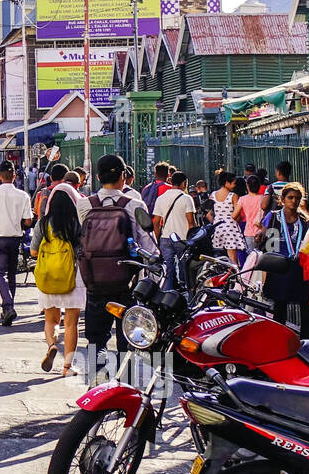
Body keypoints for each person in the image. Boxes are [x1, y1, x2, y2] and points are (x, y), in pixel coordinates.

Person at [81, 154, 157, 369]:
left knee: (96, 340)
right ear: (124, 176)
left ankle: (97, 383)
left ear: (97, 177)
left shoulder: (84, 205)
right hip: (126, 281)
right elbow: (149, 246)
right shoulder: (134, 204)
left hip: (94, 280)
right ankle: (125, 385)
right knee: (127, 339)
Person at [33, 174, 85, 377]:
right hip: (73, 276)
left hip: (48, 276)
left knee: (51, 319)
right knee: (71, 323)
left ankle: (52, 345)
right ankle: (67, 367)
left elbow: (34, 252)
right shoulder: (78, 225)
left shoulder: (43, 224)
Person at [0, 161, 34, 326]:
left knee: (0, 273)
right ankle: (7, 307)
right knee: (11, 274)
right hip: (15, 239)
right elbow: (29, 221)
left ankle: (8, 306)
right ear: (14, 176)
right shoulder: (23, 195)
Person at [261, 183, 309, 339]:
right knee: (280, 307)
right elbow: (267, 239)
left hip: (299, 270)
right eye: (290, 197)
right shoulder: (272, 217)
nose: (294, 201)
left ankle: (307, 342)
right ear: (282, 199)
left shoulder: (305, 221)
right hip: (279, 269)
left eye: (297, 198)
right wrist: (261, 236)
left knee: (306, 307)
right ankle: (280, 341)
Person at [152, 171, 197, 289]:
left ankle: (167, 293)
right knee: (185, 267)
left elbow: (156, 222)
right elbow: (191, 222)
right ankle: (187, 291)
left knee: (167, 268)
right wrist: (193, 239)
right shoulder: (187, 198)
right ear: (184, 183)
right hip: (182, 238)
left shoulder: (161, 198)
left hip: (166, 238)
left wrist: (156, 239)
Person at [211, 171, 245, 265]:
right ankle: (234, 277)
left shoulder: (213, 195)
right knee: (233, 258)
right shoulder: (233, 196)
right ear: (227, 183)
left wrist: (215, 222)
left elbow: (208, 214)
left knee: (219, 257)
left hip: (217, 227)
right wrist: (235, 221)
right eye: (233, 183)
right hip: (230, 228)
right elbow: (237, 214)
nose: (235, 185)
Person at [237, 175, 267, 251]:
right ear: (259, 186)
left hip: (249, 232)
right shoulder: (263, 198)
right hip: (262, 232)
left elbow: (234, 215)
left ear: (247, 186)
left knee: (252, 257)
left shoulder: (242, 199)